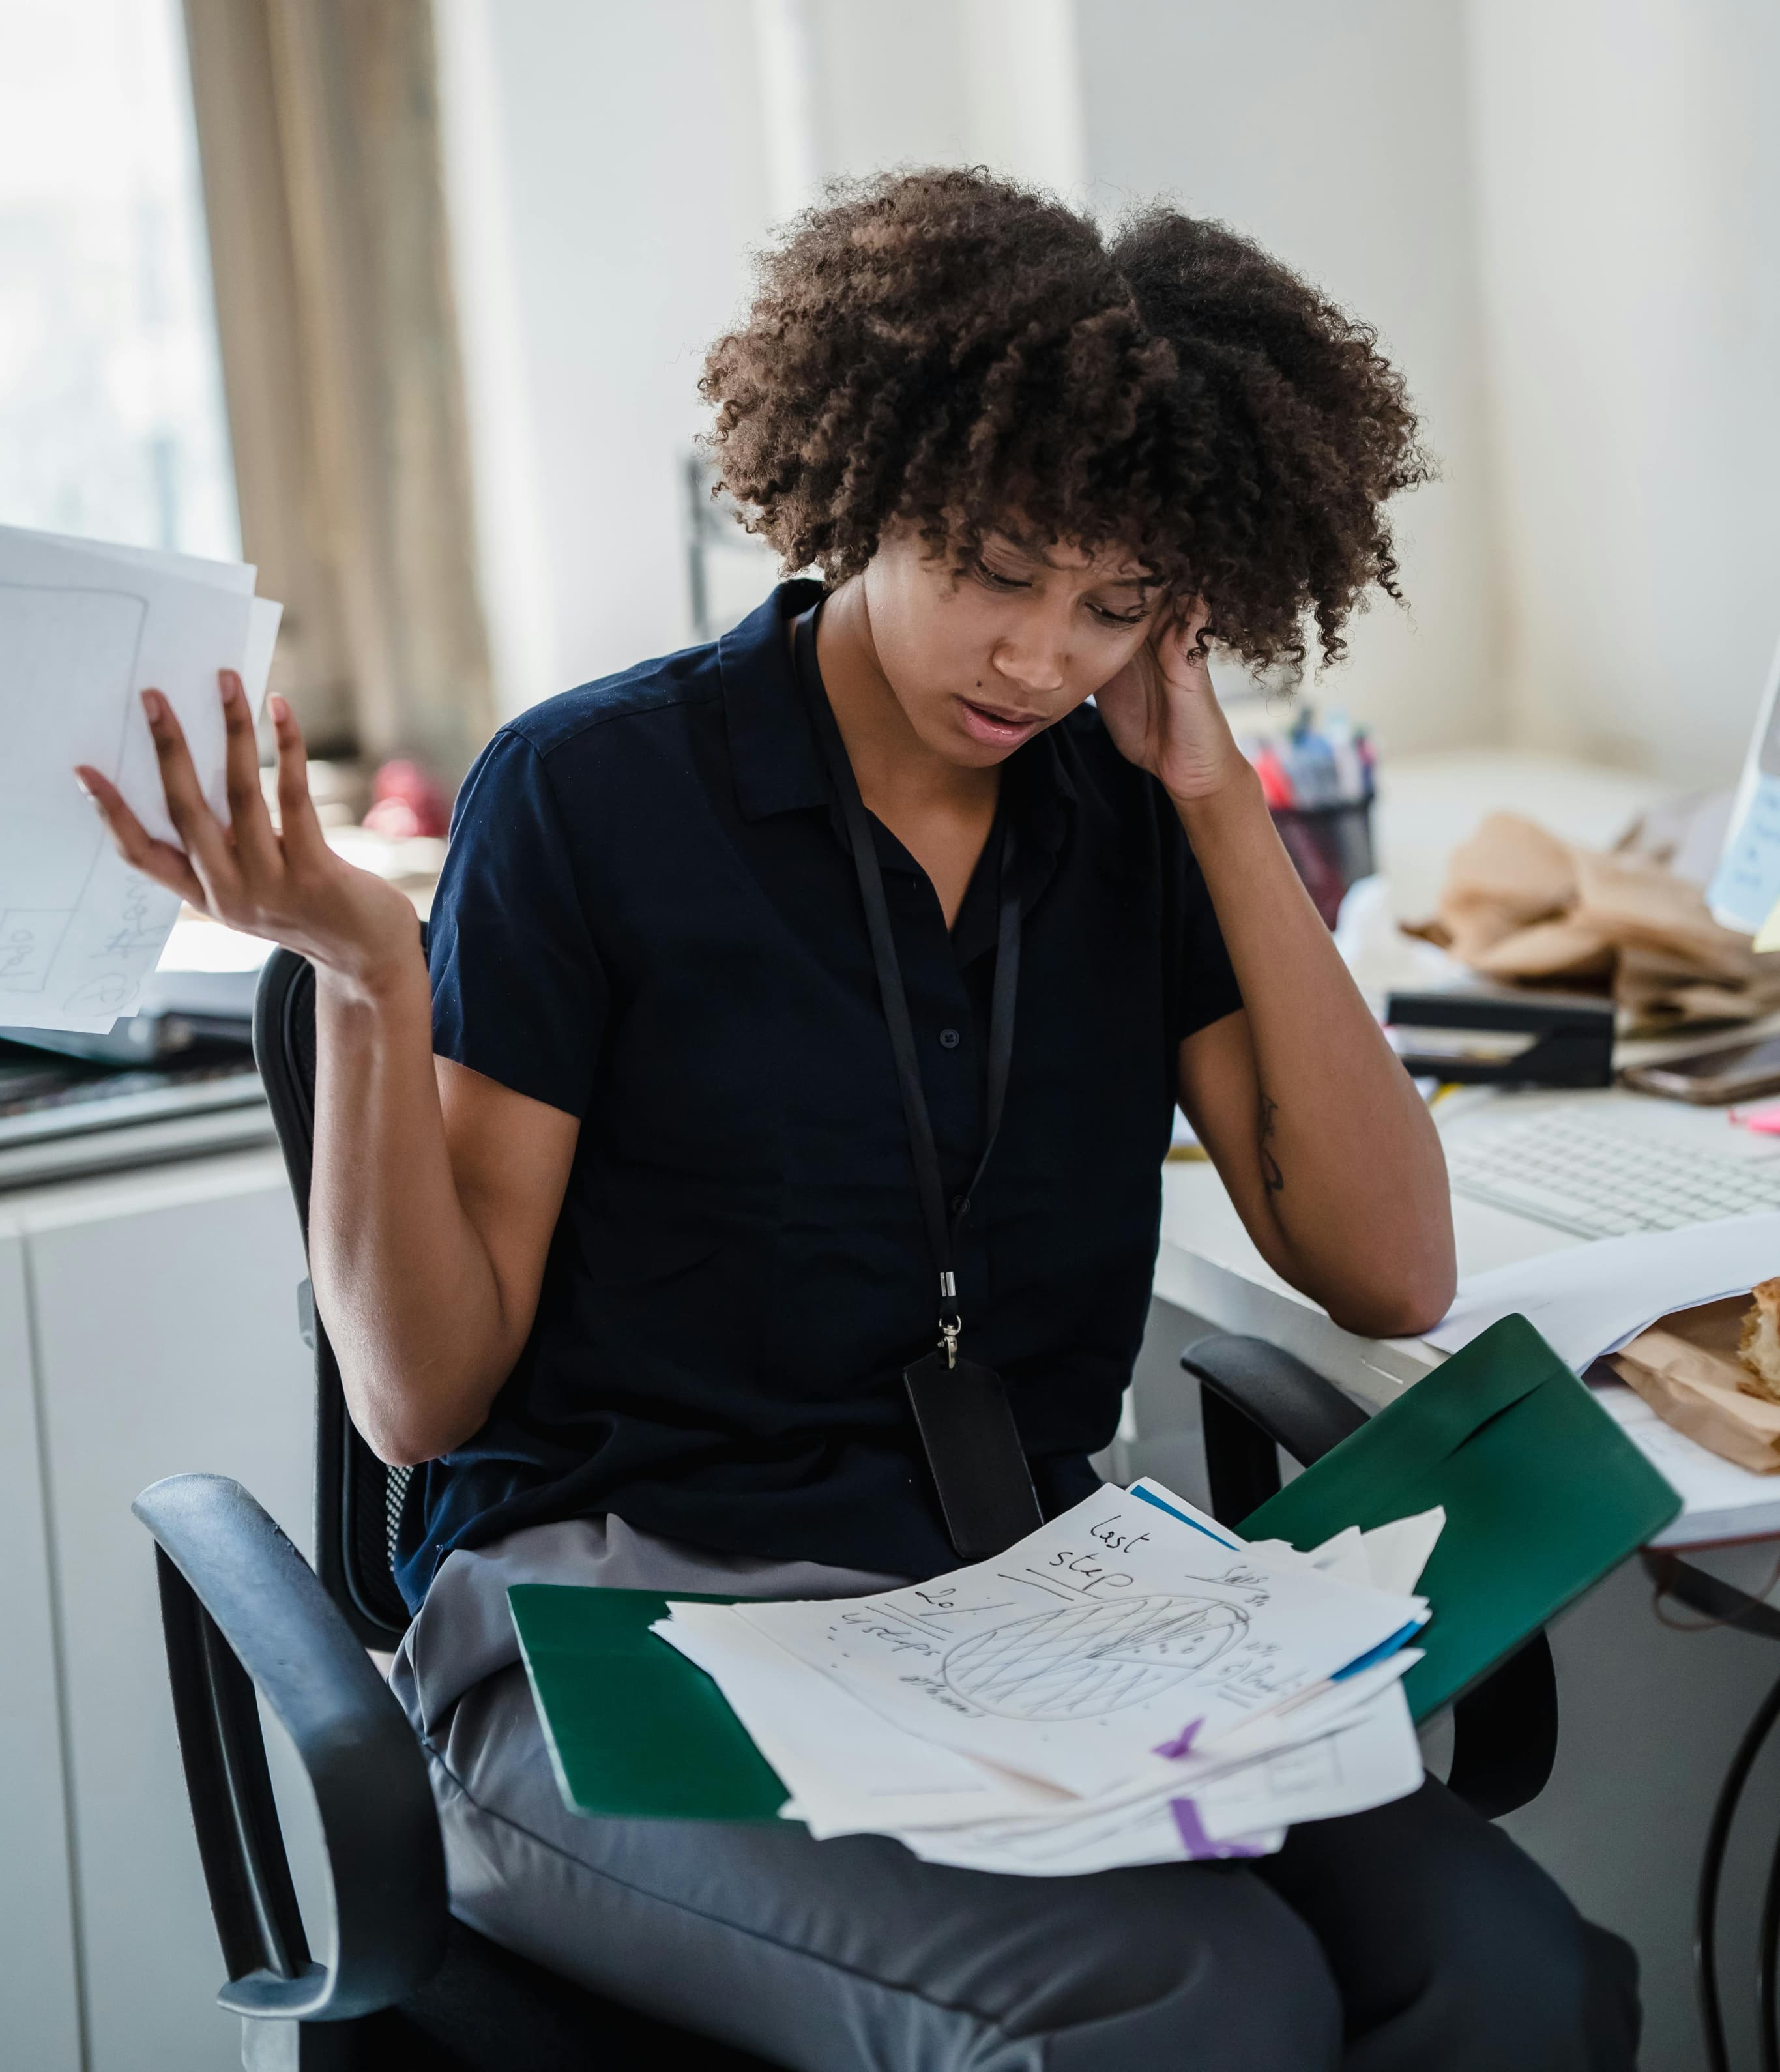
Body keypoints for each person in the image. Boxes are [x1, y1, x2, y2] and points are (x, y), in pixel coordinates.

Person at [81, 169, 1637, 2069]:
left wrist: (1218, 799)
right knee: (1195, 2002)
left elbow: (1387, 1265)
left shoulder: (1125, 810)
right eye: (995, 567)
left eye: (1112, 603)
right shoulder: (591, 796)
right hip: (616, 1645)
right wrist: (368, 977)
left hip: (1010, 1620)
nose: (1038, 658)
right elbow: (421, 1401)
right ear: (871, 482)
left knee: (1509, 1972)